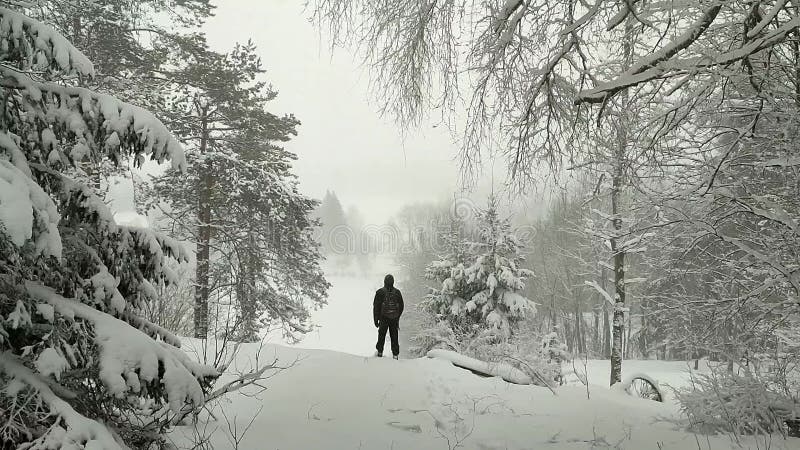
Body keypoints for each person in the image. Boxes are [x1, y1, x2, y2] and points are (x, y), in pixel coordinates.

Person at [373, 274, 404, 359]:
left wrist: (376, 319)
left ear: (384, 281)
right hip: (394, 319)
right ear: (393, 282)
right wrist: (397, 317)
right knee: (394, 336)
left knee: (381, 335)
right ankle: (395, 355)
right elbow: (401, 306)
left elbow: (376, 307)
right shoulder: (397, 292)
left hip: (383, 318)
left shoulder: (380, 292)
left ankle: (379, 353)